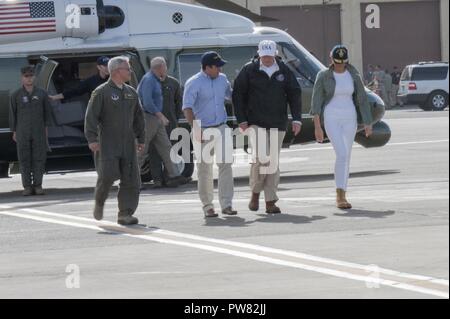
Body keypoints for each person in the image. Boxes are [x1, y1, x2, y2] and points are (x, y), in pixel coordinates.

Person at [233, 40, 302, 214]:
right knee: (261, 158)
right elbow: (238, 94)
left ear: (275, 54)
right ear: (259, 54)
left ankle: (270, 200)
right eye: (264, 57)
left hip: (278, 122)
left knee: (273, 161)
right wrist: (241, 119)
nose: (267, 60)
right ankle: (255, 192)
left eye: (270, 56)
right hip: (256, 121)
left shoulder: (284, 70)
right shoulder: (249, 70)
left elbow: (294, 93)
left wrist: (297, 119)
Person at [84, 56, 145, 226]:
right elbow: (91, 117)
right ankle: (99, 201)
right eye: (127, 69)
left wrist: (141, 138)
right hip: (107, 143)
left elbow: (139, 117)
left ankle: (125, 213)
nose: (130, 71)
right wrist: (92, 139)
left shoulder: (131, 92)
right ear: (117, 71)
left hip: (128, 143)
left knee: (131, 179)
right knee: (108, 176)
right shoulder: (101, 92)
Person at [311, 45, 373, 209]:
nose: (340, 65)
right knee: (342, 153)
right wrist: (318, 127)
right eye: (337, 62)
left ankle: (343, 194)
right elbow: (316, 102)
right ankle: (339, 195)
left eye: (343, 62)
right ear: (331, 59)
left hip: (349, 117)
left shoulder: (353, 75)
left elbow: (362, 99)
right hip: (331, 116)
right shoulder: (323, 75)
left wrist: (368, 122)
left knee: (347, 156)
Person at [182, 51, 237, 218]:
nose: (220, 69)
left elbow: (231, 96)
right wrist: (195, 128)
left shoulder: (222, 79)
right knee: (204, 169)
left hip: (221, 126)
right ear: (207, 67)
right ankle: (208, 206)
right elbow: (187, 108)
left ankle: (227, 204)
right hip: (203, 129)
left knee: (226, 165)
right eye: (217, 66)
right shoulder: (193, 83)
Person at [137, 57, 189, 188]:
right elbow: (147, 102)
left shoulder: (156, 80)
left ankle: (174, 175)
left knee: (166, 148)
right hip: (149, 118)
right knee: (142, 150)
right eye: (165, 66)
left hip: (156, 119)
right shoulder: (149, 80)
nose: (166, 69)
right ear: (159, 67)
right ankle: (132, 180)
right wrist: (160, 115)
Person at [9, 66, 52, 196]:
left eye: (31, 76)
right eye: (26, 76)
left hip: (38, 131)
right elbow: (12, 114)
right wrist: (14, 131)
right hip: (22, 131)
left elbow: (47, 113)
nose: (29, 78)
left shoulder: (42, 93)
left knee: (39, 158)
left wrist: (46, 130)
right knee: (24, 159)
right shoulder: (15, 95)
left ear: (35, 77)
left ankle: (38, 185)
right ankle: (27, 186)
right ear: (22, 78)